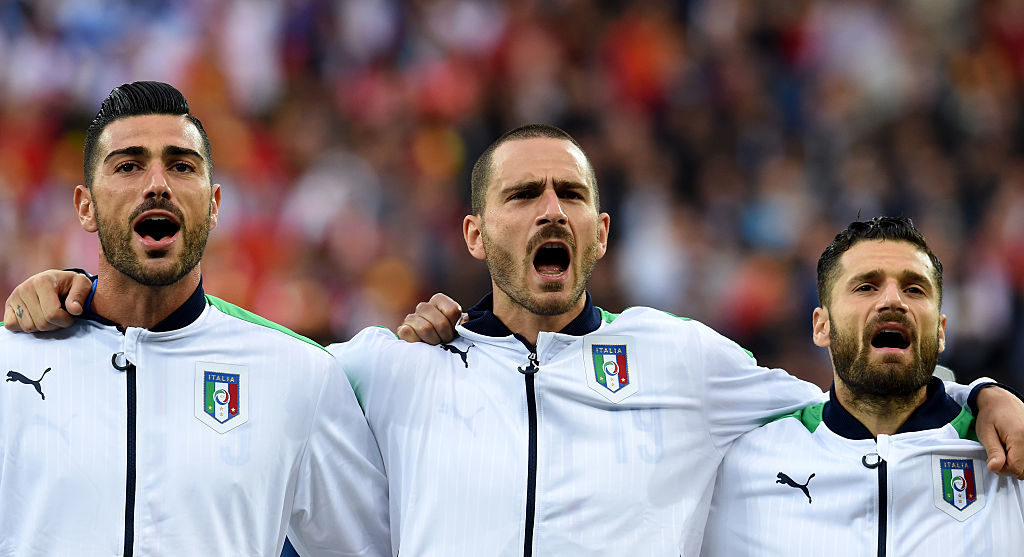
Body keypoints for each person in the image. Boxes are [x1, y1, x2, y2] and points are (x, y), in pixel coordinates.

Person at [7, 125, 1024, 556]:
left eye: (571, 194)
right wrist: (86, 299)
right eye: (524, 193)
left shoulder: (683, 359)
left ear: (600, 232)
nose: (551, 208)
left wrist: (977, 388)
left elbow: (851, 404)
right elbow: (230, 354)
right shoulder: (389, 364)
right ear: (474, 232)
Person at [0, 81, 390, 556]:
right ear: (86, 207)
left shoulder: (299, 374)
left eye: (182, 166)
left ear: (214, 205)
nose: (158, 184)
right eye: (128, 165)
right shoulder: (11, 360)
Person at [699, 217, 1024, 556]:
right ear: (822, 326)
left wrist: (989, 395)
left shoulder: (1008, 454)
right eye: (866, 287)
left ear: (941, 331)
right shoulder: (744, 465)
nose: (893, 301)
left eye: (915, 289)